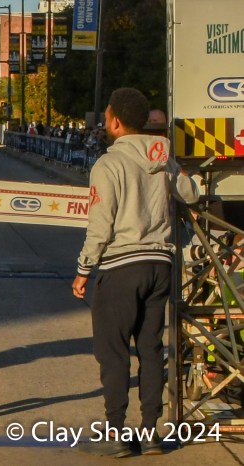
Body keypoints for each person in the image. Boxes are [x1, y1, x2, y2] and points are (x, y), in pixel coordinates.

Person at [72, 88, 200, 457]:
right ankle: (150, 432)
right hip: (160, 265)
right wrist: (174, 167)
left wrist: (83, 269)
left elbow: (101, 224)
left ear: (114, 122)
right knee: (150, 348)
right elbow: (191, 194)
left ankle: (115, 432)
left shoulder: (108, 164)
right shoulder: (162, 158)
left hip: (121, 267)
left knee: (113, 352)